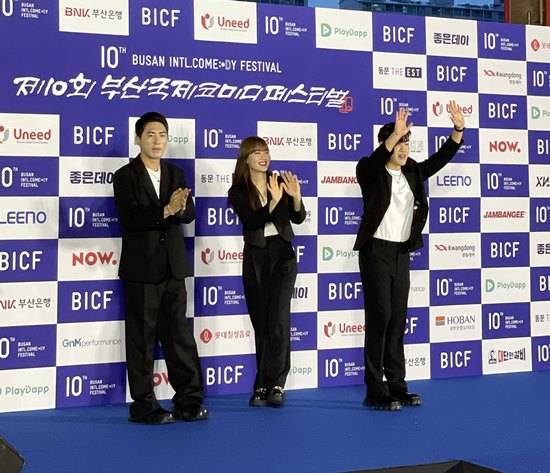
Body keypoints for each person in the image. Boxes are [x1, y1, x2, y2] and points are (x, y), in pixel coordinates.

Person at [354, 103, 465, 410]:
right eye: (400, 142)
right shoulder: (369, 171)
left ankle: (397, 385)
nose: (404, 148)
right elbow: (372, 164)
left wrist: (457, 130)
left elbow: (439, 160)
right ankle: (375, 389)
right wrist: (393, 136)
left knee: (397, 318)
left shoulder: (412, 172)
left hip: (401, 252)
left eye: (407, 142)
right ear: (386, 144)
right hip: (375, 252)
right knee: (380, 316)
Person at [113, 112, 208, 424]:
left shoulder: (176, 173)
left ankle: (189, 401)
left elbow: (189, 214)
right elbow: (131, 218)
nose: (157, 141)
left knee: (180, 337)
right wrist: (165, 209)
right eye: (150, 134)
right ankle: (143, 405)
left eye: (162, 135)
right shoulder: (125, 176)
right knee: (141, 340)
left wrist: (180, 208)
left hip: (174, 268)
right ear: (138, 138)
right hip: (142, 269)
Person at [228, 136, 306, 407]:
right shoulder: (238, 190)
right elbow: (252, 221)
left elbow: (298, 217)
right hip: (256, 257)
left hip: (283, 256)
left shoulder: (280, 180)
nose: (263, 157)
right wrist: (272, 204)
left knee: (279, 322)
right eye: (257, 152)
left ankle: (276, 384)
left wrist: (295, 197)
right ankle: (261, 384)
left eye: (266, 151)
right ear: (246, 158)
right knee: (261, 323)